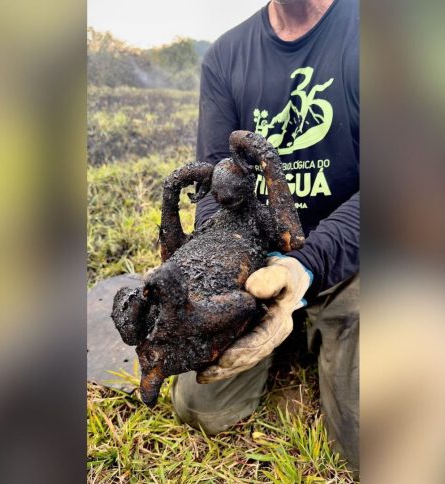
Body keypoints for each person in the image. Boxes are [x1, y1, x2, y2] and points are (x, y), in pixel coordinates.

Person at [170, 0, 361, 469]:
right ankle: (293, 327)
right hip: (257, 266)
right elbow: (216, 186)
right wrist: (226, 272)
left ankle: (321, 325)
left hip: (353, 258)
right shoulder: (226, 57)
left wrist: (306, 265)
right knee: (200, 406)